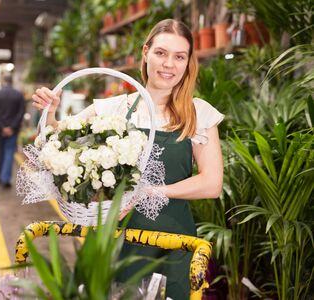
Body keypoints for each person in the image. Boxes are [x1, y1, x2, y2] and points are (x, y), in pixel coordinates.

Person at [32, 19, 224, 299]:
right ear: (145, 52)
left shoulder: (199, 114)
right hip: (114, 241)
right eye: (161, 53)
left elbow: (212, 183)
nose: (168, 64)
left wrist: (150, 192)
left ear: (187, 62)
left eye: (179, 56)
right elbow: (60, 140)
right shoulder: (113, 107)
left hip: (172, 244)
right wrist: (49, 111)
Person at [0, 74, 25, 188]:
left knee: (1, 151)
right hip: (13, 130)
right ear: (12, 81)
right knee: (9, 152)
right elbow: (21, 113)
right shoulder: (18, 95)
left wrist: (2, 127)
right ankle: (5, 178)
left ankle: (1, 176)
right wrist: (11, 127)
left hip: (0, 130)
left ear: (3, 81)